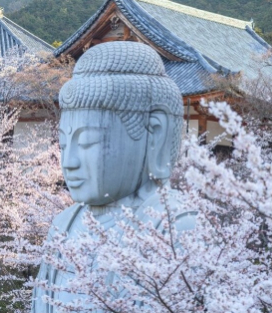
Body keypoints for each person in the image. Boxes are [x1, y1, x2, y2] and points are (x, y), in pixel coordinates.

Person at [31, 41, 196, 312]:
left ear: (154, 132)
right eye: (63, 145)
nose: (69, 163)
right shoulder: (64, 223)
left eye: (87, 144)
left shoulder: (176, 226)